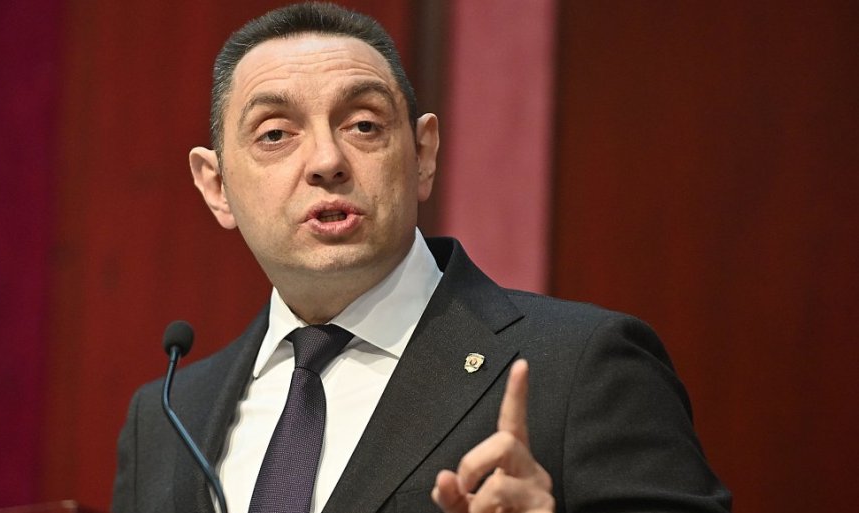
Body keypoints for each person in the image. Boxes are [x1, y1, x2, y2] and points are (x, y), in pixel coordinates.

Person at [111, 3, 731, 513]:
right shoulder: (166, 417)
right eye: (276, 134)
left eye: (363, 125)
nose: (326, 160)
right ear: (216, 186)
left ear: (424, 154)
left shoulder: (581, 367)